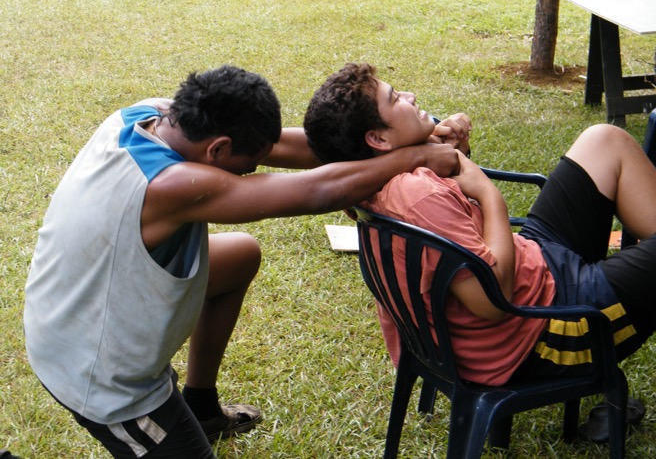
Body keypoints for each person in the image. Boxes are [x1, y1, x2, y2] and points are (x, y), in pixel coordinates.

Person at [24, 65, 460, 459]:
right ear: (218, 151)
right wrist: (416, 157)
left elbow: (296, 148)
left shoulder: (153, 115)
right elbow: (316, 191)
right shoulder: (170, 185)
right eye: (248, 167)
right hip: (96, 367)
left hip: (83, 293)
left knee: (239, 256)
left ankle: (201, 405)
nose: (251, 170)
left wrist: (412, 138)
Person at [304, 62, 656, 428]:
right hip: (548, 326)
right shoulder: (417, 197)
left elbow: (451, 235)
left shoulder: (370, 182)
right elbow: (494, 300)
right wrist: (488, 193)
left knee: (604, 140)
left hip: (537, 269)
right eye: (395, 99)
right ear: (378, 139)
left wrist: (444, 150)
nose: (410, 96)